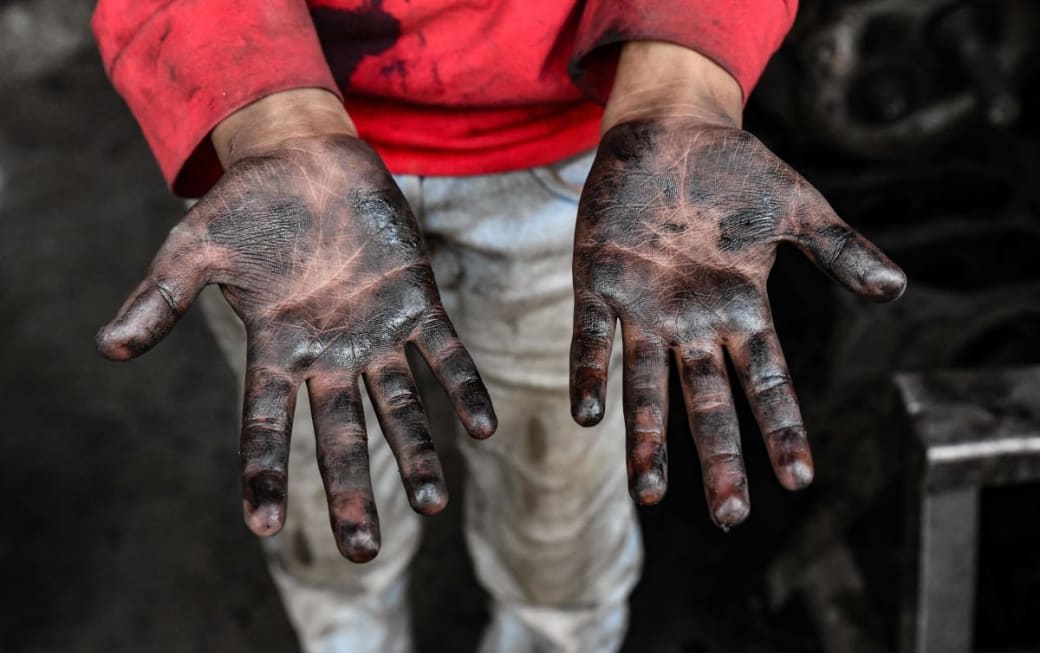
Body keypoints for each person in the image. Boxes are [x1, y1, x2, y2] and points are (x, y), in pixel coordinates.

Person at [91, 1, 907, 651]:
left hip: (584, 159)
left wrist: (676, 90)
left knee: (561, 523)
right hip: (276, 173)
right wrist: (273, 125)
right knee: (316, 501)